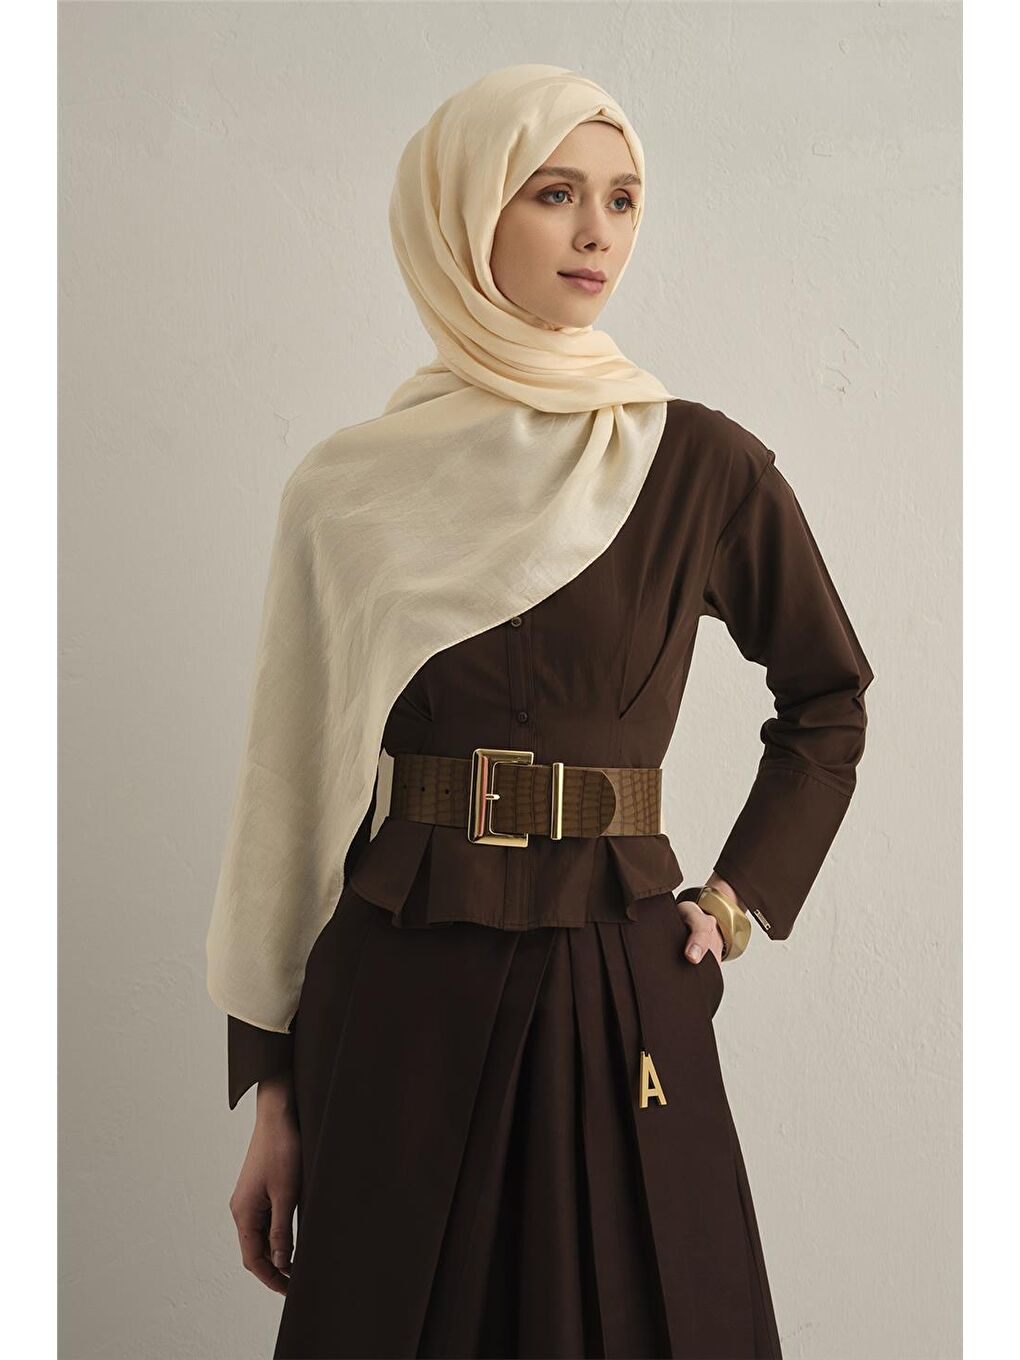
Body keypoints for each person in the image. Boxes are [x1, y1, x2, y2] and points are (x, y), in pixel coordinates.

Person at [207, 64, 873, 1360]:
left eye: (622, 200)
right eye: (555, 193)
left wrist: (737, 899)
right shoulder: (345, 490)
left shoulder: (694, 462)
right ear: (464, 215)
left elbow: (828, 698)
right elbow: (286, 796)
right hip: (399, 992)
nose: (597, 234)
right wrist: (273, 1098)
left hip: (616, 987)